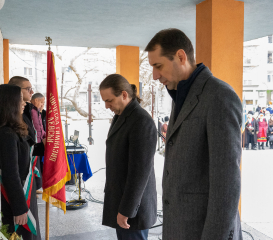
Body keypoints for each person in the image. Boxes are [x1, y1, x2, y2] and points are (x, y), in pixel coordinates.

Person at [146, 28, 242, 239]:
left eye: (158, 66)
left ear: (181, 57)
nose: (154, 76)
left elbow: (226, 185)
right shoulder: (179, 95)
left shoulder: (220, 96)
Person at [99, 74, 157, 240]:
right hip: (122, 200)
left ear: (124, 95)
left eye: (109, 100)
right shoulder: (121, 116)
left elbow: (139, 173)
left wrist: (127, 210)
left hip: (133, 208)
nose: (106, 105)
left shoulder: (141, 121)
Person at [0, 84, 41, 239]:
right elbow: (10, 173)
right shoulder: (6, 134)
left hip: (23, 193)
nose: (24, 103)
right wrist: (19, 208)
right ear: (9, 103)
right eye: (20, 100)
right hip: (15, 199)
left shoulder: (14, 128)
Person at [8, 76, 46, 192]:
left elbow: (27, 144)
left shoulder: (30, 110)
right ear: (16, 90)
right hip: (20, 177)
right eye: (28, 89)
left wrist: (43, 146)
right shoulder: (11, 119)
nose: (32, 92)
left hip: (28, 167)